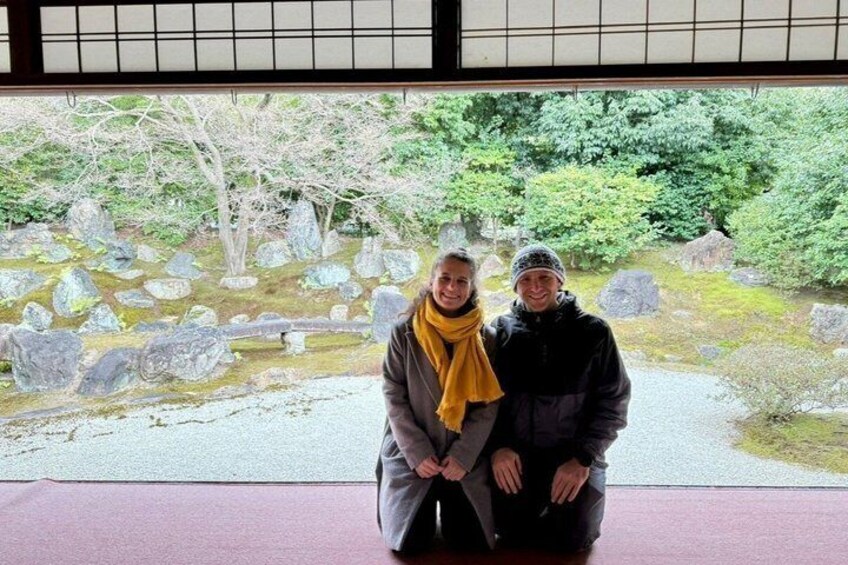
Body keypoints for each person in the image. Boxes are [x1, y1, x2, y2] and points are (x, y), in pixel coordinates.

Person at [488, 244, 630, 552]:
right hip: (516, 453)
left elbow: (614, 402)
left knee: (573, 541)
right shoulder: (499, 332)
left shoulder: (594, 332)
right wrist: (498, 446)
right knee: (509, 533)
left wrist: (583, 457)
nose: (536, 287)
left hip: (572, 454)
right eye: (526, 279)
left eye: (545, 277)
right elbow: (482, 402)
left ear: (560, 280)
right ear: (515, 285)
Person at [376, 249, 503, 553]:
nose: (451, 288)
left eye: (462, 281)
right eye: (444, 278)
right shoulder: (404, 333)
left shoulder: (486, 338)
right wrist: (416, 452)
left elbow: (489, 403)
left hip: (463, 455)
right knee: (410, 544)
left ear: (471, 287)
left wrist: (463, 455)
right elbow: (393, 393)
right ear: (431, 281)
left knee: (469, 544)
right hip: (412, 450)